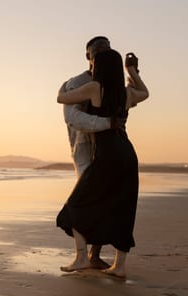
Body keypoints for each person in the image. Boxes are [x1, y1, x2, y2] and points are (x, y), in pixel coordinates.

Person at [56, 48, 149, 278]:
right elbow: (145, 93)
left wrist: (65, 84)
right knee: (123, 208)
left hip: (106, 156)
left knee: (75, 205)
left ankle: (80, 257)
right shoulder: (127, 93)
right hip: (127, 153)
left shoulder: (95, 88)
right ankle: (119, 266)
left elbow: (61, 98)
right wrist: (132, 72)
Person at [59, 36, 115, 270]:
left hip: (109, 150)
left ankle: (94, 254)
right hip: (83, 151)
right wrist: (107, 123)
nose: (102, 52)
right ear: (88, 55)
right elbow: (72, 117)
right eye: (97, 49)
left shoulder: (111, 79)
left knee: (104, 202)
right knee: (82, 202)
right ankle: (81, 255)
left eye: (107, 49)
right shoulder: (77, 82)